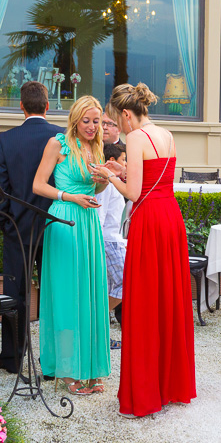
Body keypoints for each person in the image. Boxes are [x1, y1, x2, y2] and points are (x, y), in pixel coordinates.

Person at [89, 83, 196, 418]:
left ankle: (147, 391)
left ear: (125, 114)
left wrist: (108, 173)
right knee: (169, 299)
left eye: (115, 122)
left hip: (149, 221)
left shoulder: (135, 138)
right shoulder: (166, 133)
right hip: (170, 217)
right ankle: (171, 384)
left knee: (146, 301)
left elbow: (134, 192)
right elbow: (158, 177)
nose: (116, 129)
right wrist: (123, 170)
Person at [32, 95, 110, 395]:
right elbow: (38, 185)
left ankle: (89, 366)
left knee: (89, 293)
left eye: (96, 121)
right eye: (87, 121)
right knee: (67, 294)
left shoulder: (96, 147)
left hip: (89, 223)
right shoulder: (58, 144)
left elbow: (95, 186)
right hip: (64, 221)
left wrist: (104, 178)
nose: (92, 127)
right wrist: (69, 197)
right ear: (75, 119)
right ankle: (66, 369)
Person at [0, 82, 64, 375]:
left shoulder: (6, 140)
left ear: (21, 106)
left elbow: (0, 192)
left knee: (15, 293)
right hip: (56, 227)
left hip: (18, 228)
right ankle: (56, 360)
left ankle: (12, 358)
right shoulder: (61, 137)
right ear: (47, 106)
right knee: (56, 292)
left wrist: (6, 223)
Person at [97, 141, 127, 351]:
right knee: (125, 284)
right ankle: (97, 324)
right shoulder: (106, 184)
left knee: (113, 287)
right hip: (108, 242)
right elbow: (99, 217)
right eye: (124, 160)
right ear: (112, 161)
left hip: (113, 241)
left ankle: (99, 330)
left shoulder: (112, 182)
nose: (126, 163)